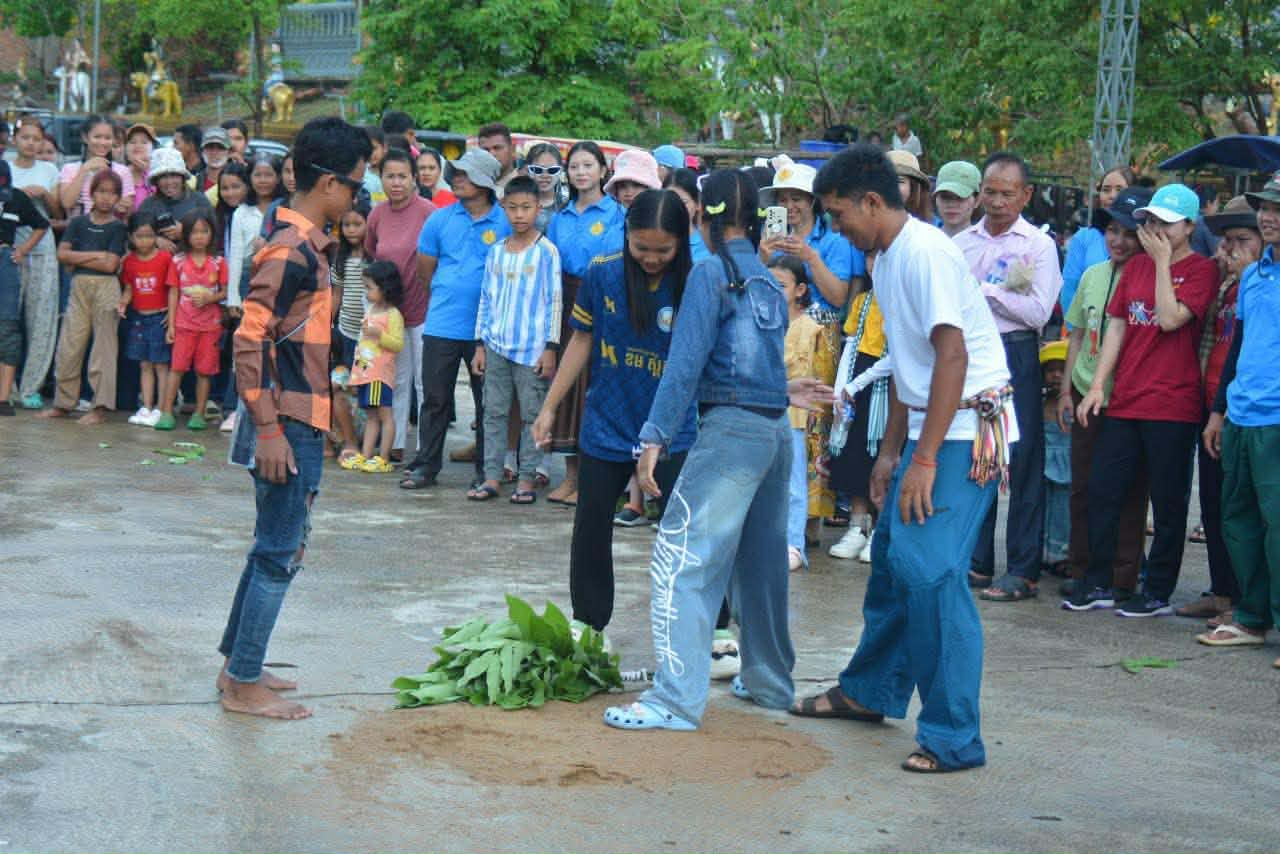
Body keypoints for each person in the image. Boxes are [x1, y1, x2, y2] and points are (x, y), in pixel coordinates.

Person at [792, 144, 1014, 774]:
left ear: (871, 201)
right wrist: (890, 453)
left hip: (966, 431)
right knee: (892, 560)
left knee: (931, 574)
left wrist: (924, 459)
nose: (836, 227)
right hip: (927, 424)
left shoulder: (925, 254)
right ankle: (870, 690)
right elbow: (907, 363)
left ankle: (953, 736)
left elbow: (952, 357)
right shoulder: (885, 257)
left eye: (838, 214)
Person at [604, 169, 803, 733]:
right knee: (762, 565)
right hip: (774, 432)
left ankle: (675, 699)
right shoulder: (767, 278)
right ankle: (769, 682)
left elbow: (685, 363)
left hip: (731, 433)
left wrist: (653, 437)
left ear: (700, 218)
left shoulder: (711, 273)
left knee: (681, 560)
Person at [218, 116, 370, 720]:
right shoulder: (291, 250)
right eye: (356, 184)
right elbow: (248, 338)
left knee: (272, 548)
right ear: (330, 183)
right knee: (281, 553)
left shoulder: (304, 244)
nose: (358, 196)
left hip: (296, 418)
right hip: (285, 422)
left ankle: (239, 664)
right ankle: (242, 682)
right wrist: (270, 429)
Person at [533, 187, 697, 643]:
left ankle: (710, 624)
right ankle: (588, 622)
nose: (651, 259)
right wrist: (550, 407)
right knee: (590, 525)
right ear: (626, 236)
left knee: (687, 528)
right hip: (607, 420)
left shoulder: (696, 281)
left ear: (682, 242)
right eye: (641, 248)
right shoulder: (602, 273)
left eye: (663, 250)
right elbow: (582, 339)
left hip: (672, 428)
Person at [1067, 183, 1219, 616]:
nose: (1156, 230)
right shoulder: (1134, 267)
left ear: (1189, 226)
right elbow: (1117, 325)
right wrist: (1098, 385)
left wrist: (1163, 263)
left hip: (1173, 404)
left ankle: (1156, 591)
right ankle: (1099, 582)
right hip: (1127, 398)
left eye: (1166, 223)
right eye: (1151, 221)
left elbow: (1169, 319)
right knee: (1103, 491)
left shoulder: (1202, 270)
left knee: (1168, 503)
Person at [954, 151, 1062, 602]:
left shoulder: (1037, 245)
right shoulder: (963, 243)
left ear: (1026, 195)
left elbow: (1038, 312)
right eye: (990, 192)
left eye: (1007, 194)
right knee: (976, 453)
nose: (997, 202)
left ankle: (1022, 568)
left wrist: (988, 292)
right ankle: (976, 560)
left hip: (1016, 351)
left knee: (1023, 458)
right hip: (972, 353)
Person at [1196, 175, 1280, 664]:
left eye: (1277, 209)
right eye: (1265, 207)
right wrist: (1218, 411)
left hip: (1276, 420)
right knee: (1239, 520)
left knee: (1277, 524)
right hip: (1242, 415)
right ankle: (1251, 617)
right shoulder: (1253, 275)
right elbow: (1238, 348)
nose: (1269, 217)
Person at [1057, 187, 1152, 602]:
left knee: (1130, 491)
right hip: (1085, 392)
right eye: (1113, 230)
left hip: (1129, 399)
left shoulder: (1151, 277)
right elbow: (1077, 333)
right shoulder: (1093, 275)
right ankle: (1082, 569)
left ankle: (1123, 575)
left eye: (1130, 233)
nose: (1119, 240)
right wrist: (1066, 391)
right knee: (1083, 486)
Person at [400, 148, 510, 490]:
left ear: (486, 182)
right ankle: (426, 466)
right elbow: (425, 272)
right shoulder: (439, 219)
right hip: (442, 323)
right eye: (457, 173)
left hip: (489, 329)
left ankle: (486, 470)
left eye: (467, 173)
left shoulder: (506, 221)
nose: (458, 178)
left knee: (487, 403)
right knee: (435, 400)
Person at [1182, 196, 1261, 624]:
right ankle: (1222, 591)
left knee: (1245, 511)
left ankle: (1249, 601)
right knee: (1213, 503)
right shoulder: (1227, 284)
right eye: (1227, 240)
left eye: (1242, 239)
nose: (1231, 249)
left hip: (1248, 409)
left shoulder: (1264, 286)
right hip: (1212, 402)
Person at [543, 141, 626, 504]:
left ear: (603, 170)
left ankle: (592, 480)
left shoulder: (617, 214)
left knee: (595, 388)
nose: (580, 172)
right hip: (565, 303)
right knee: (568, 388)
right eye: (574, 166)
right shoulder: (559, 218)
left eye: (588, 165)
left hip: (603, 303)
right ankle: (571, 477)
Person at [470, 175, 561, 502]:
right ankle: (492, 476)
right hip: (495, 345)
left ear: (538, 209)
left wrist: (550, 348)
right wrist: (480, 344)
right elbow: (485, 298)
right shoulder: (496, 251)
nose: (519, 214)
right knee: (493, 412)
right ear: (503, 208)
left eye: (526, 207)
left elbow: (554, 302)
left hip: (532, 349)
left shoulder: (547, 252)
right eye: (512, 208)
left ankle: (526, 480)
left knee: (531, 415)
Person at [39, 170, 126, 424]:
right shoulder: (78, 223)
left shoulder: (118, 227)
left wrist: (76, 258)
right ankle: (63, 403)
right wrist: (96, 255)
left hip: (106, 287)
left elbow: (111, 265)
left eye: (112, 193)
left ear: (118, 197)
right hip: (79, 286)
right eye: (101, 191)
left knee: (104, 348)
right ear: (92, 193)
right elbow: (61, 254)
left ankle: (100, 406)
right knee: (70, 345)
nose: (106, 198)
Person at [365, 148, 435, 460]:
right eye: (389, 176)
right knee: (397, 378)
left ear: (414, 178)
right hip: (390, 314)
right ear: (380, 178)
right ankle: (393, 445)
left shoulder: (429, 213)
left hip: (424, 310)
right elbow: (372, 254)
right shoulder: (376, 214)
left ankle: (424, 450)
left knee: (424, 381)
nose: (396, 183)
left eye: (402, 176)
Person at [776, 255, 835, 570]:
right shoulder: (762, 321)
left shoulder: (811, 328)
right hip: (762, 409)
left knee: (794, 483)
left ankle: (793, 544)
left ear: (800, 289)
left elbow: (815, 375)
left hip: (796, 415)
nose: (774, 291)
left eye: (781, 285)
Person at [221, 153, 285, 436]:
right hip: (249, 278)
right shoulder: (242, 212)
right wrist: (233, 297)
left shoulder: (285, 207)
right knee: (245, 347)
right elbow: (235, 255)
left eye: (269, 174)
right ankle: (235, 408)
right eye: (258, 175)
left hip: (279, 278)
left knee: (273, 347)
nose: (263, 180)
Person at [759, 154, 864, 318]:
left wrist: (811, 258)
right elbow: (756, 292)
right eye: (783, 200)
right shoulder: (770, 238)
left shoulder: (834, 240)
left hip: (819, 326)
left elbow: (839, 299)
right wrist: (762, 260)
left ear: (813, 201)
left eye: (796, 199)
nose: (789, 206)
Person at [153, 209, 228, 431]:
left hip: (210, 327)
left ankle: (199, 413)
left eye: (204, 231)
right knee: (176, 368)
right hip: (184, 325)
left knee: (204, 371)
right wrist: (171, 325)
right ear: (185, 235)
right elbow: (173, 292)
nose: (199, 237)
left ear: (212, 234)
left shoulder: (218, 262)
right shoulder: (178, 261)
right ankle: (167, 412)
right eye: (194, 232)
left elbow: (225, 292)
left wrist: (210, 298)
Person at [9, 117, 63, 410]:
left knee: (41, 320)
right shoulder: (5, 167)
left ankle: (31, 386)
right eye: (25, 137)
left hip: (42, 249)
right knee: (8, 319)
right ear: (15, 139)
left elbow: (57, 213)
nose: (30, 143)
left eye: (36, 138)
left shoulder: (49, 170)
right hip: (9, 250)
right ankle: (7, 387)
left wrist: (44, 193)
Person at [0, 161, 49, 415]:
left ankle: (3, 398)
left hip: (4, 261)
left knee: (7, 327)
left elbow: (42, 224)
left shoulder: (16, 197)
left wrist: (23, 250)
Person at [348, 260, 405, 473]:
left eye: (370, 287)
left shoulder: (393, 315)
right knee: (371, 416)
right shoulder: (371, 309)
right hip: (366, 372)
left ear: (385, 288)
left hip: (379, 374)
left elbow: (397, 344)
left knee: (384, 416)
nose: (367, 292)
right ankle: (366, 455)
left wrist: (379, 335)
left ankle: (383, 457)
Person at [117, 212, 173, 427]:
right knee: (144, 364)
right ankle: (147, 407)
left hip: (159, 318)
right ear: (131, 237)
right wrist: (123, 303)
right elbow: (129, 288)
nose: (144, 241)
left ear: (156, 236)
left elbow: (173, 289)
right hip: (139, 318)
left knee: (161, 365)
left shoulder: (165, 258)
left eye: (149, 236)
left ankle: (162, 407)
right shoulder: (129, 261)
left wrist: (172, 315)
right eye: (139, 236)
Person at [1060, 166, 1135, 315]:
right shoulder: (1083, 237)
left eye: (1120, 190)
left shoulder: (1142, 237)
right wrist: (1074, 325)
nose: (1112, 196)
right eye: (1106, 190)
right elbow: (1069, 288)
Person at [332, 202, 372, 467]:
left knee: (364, 389)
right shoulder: (341, 259)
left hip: (370, 339)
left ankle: (366, 439)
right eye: (346, 225)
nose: (351, 230)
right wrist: (329, 324)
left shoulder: (374, 258)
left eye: (357, 224)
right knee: (339, 385)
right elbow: (336, 294)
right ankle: (348, 440)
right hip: (346, 334)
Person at [138, 147, 214, 256]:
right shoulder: (148, 204)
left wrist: (185, 232)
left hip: (193, 261)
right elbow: (135, 234)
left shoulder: (199, 201)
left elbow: (214, 234)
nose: (169, 182)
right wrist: (155, 240)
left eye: (174, 175)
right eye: (163, 177)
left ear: (183, 178)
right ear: (156, 180)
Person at [57, 114, 134, 217]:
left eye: (107, 138)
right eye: (97, 137)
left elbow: (126, 209)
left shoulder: (122, 171)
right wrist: (84, 169)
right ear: (85, 137)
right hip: (79, 226)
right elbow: (67, 203)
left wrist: (120, 203)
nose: (102, 142)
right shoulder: (70, 169)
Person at [1039, 340, 1070, 574]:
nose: (1057, 375)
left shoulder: (1073, 405)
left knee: (1063, 512)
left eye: (1062, 370)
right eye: (1051, 370)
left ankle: (1063, 556)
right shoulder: (1040, 405)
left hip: (1067, 469)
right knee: (1045, 510)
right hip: (1044, 466)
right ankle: (1044, 553)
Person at [668, 168, 710, 263]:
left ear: (698, 203)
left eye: (683, 202)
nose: (675, 207)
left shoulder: (708, 245)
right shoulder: (651, 239)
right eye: (669, 200)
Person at [524, 142, 567, 233]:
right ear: (527, 170)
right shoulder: (514, 203)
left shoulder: (568, 205)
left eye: (552, 170)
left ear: (561, 171)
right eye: (538, 170)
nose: (545, 175)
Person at [932, 160, 981, 238]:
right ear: (936, 199)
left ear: (977, 201)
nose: (951, 204)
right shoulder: (922, 239)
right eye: (945, 197)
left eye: (960, 197)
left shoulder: (988, 243)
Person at [477, 122, 518, 193]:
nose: (491, 154)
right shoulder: (473, 189)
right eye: (485, 150)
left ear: (512, 150)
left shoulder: (526, 187)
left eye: (497, 148)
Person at [124, 123, 157, 211]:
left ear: (153, 148)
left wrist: (147, 173)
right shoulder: (118, 174)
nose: (138, 146)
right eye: (132, 142)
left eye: (144, 142)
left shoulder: (159, 175)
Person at [198, 126, 232, 197]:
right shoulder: (192, 183)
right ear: (202, 151)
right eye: (210, 147)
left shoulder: (240, 181)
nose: (214, 152)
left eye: (220, 148)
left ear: (229, 152)